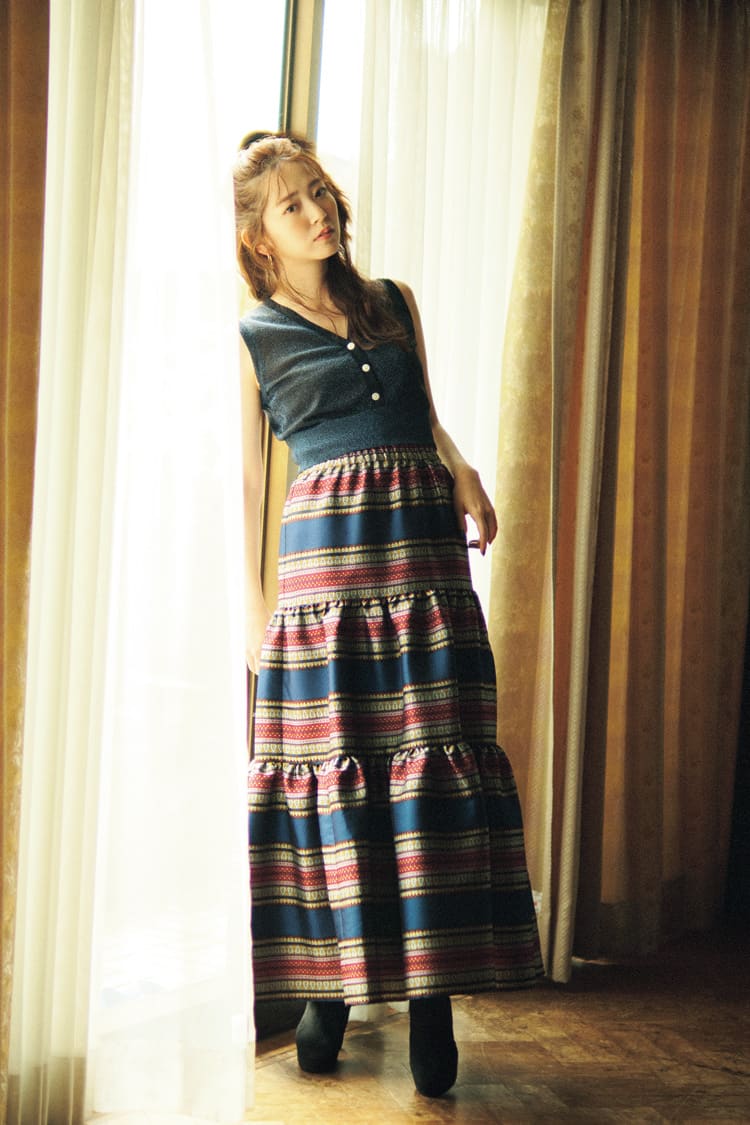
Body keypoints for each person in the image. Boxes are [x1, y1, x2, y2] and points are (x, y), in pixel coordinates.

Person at [234, 132, 543, 1099]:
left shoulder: (392, 302)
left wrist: (465, 470)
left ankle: (430, 995)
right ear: (259, 236)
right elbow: (246, 483)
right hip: (326, 575)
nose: (316, 210)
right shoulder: (253, 335)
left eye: (319, 191)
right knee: (344, 764)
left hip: (423, 558)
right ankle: (333, 986)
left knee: (431, 759)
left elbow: (425, 413)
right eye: (291, 203)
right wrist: (253, 608)